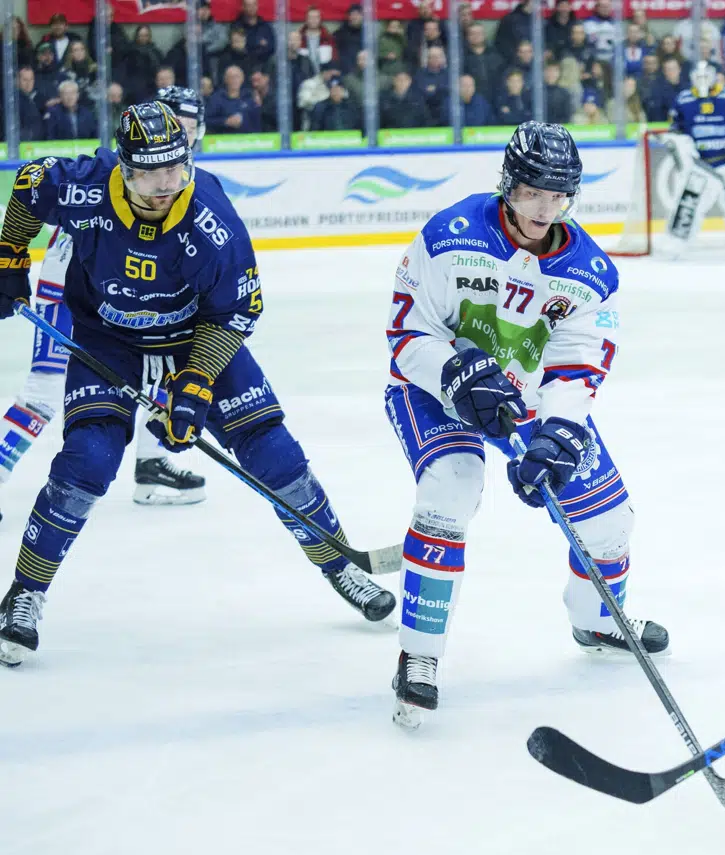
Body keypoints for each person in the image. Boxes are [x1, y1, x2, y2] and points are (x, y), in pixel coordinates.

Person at [0, 102, 394, 667]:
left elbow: (237, 311)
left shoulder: (210, 218)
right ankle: (25, 593)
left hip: (194, 334)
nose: (167, 185)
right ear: (125, 170)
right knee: (86, 459)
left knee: (273, 453)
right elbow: (31, 182)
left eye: (176, 170)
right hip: (108, 336)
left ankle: (342, 566)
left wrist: (194, 384)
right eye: (152, 175)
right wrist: (9, 255)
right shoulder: (86, 188)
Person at [382, 121, 668, 727]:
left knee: (609, 520)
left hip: (528, 397)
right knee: (449, 490)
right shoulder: (449, 234)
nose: (546, 209)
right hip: (436, 390)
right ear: (508, 186)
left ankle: (596, 620)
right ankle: (420, 655)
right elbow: (408, 337)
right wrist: (456, 371)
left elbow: (576, 363)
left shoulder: (590, 272)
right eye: (534, 193)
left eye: (560, 195)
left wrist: (560, 431)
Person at [0, 87, 220, 520]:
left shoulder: (178, 178)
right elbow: (37, 185)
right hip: (71, 286)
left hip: (125, 301)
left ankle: (151, 462)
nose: (187, 139)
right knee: (45, 390)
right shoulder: (120, 173)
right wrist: (9, 255)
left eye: (192, 130)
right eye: (182, 128)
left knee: (160, 367)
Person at [665, 62, 725, 244]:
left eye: (706, 76)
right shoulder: (683, 99)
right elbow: (675, 131)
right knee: (687, 206)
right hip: (698, 167)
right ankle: (676, 244)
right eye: (698, 76)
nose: (702, 80)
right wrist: (682, 147)